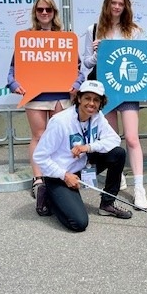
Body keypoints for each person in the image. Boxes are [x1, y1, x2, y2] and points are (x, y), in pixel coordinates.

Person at [80, 0, 147, 208]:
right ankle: (119, 176)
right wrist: (97, 52)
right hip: (105, 92)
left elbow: (144, 60)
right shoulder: (93, 29)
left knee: (131, 138)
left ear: (125, 6)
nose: (117, 7)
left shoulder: (134, 31)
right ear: (107, 5)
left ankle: (139, 187)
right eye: (113, 3)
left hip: (128, 91)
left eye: (121, 3)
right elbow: (86, 64)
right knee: (111, 140)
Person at [32, 80, 132, 231]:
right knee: (79, 223)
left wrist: (89, 147)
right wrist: (64, 175)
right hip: (59, 175)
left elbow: (114, 139)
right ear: (79, 98)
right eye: (87, 98)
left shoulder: (97, 117)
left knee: (118, 153)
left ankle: (107, 204)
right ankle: (48, 194)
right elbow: (39, 156)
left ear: (101, 103)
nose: (91, 103)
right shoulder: (60, 122)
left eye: (96, 100)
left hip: (82, 167)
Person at [7, 0, 72, 198]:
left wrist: (77, 85)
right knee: (39, 136)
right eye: (40, 10)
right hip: (35, 95)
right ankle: (38, 179)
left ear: (54, 12)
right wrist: (14, 84)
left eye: (48, 10)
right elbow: (13, 69)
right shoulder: (27, 37)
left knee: (59, 138)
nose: (44, 13)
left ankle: (58, 176)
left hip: (61, 95)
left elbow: (77, 67)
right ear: (35, 13)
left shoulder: (64, 36)